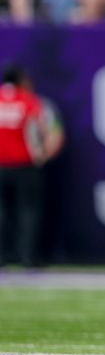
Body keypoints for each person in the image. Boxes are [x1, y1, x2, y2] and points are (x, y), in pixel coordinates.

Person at [0, 64, 47, 268]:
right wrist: (41, 154)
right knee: (27, 211)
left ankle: (3, 254)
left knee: (2, 211)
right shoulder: (28, 101)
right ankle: (26, 255)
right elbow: (40, 129)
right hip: (24, 163)